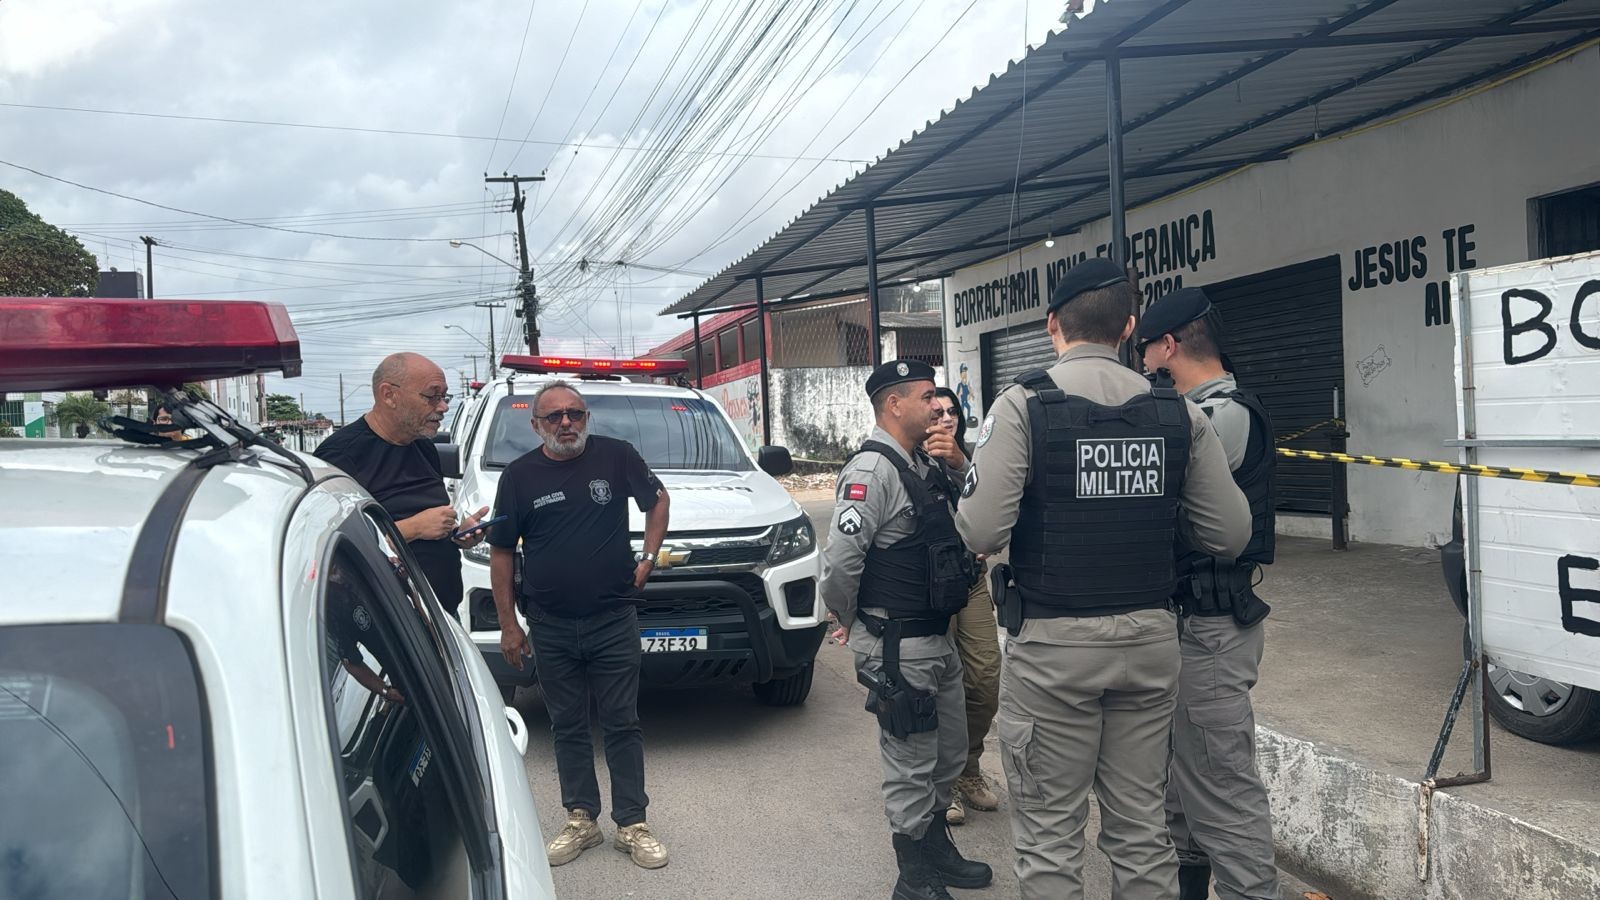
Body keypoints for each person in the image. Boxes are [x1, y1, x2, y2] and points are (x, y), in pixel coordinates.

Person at [954, 257, 1251, 900]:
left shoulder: (1022, 406)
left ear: (1052, 324)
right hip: (1149, 644)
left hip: (1054, 649)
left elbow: (980, 533)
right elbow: (1229, 536)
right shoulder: (1180, 414)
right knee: (1142, 831)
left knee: (1051, 839)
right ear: (1130, 324)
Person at [819, 360, 991, 900]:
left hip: (935, 635)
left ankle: (937, 850)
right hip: (898, 642)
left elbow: (972, 515)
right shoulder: (872, 471)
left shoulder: (925, 462)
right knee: (910, 763)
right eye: (924, 398)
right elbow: (842, 563)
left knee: (946, 754)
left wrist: (962, 463)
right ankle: (914, 878)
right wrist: (847, 619)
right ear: (894, 405)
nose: (937, 408)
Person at [486, 380, 672, 870]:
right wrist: (509, 625)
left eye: (576, 413)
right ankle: (581, 820)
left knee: (622, 724)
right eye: (555, 416)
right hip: (550, 625)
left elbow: (657, 500)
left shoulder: (617, 457)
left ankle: (632, 823)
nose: (567, 423)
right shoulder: (519, 477)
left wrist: (648, 558)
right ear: (536, 425)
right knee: (567, 727)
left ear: (586, 416)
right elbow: (502, 553)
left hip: (613, 617)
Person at [1136, 288, 1279, 900]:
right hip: (1184, 622)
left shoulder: (1221, 416)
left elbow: (1162, 507)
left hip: (1212, 627)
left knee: (1221, 783)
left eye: (1144, 350)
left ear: (1168, 346)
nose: (1138, 363)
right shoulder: (1188, 411)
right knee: (1179, 780)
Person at [316, 352, 488, 618]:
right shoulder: (340, 457)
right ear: (389, 395)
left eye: (444, 397)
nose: (443, 407)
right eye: (432, 396)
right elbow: (328, 547)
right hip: (390, 628)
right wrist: (414, 528)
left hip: (441, 614)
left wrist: (456, 534)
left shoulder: (423, 447)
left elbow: (428, 526)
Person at [932, 386, 1001, 827]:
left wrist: (960, 462)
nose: (945, 418)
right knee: (941, 683)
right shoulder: (901, 455)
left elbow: (997, 502)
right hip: (927, 588)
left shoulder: (976, 457)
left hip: (971, 581)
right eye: (935, 411)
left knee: (984, 675)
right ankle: (941, 781)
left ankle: (968, 768)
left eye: (952, 411)